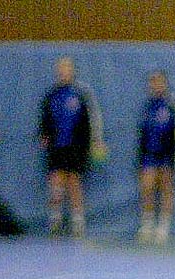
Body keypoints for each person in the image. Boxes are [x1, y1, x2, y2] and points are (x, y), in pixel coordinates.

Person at [38, 56, 102, 237]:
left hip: (77, 146)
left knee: (74, 182)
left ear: (72, 71)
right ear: (57, 72)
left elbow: (93, 119)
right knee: (56, 183)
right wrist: (44, 135)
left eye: (67, 68)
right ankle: (55, 220)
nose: (64, 71)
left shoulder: (82, 93)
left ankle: (77, 222)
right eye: (61, 68)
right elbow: (44, 119)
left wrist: (95, 141)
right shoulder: (51, 95)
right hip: (56, 146)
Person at [135, 69, 175, 244]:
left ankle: (164, 226)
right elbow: (141, 133)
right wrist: (140, 156)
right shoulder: (146, 107)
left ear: (165, 84)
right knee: (147, 187)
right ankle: (147, 223)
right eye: (153, 82)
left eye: (159, 82)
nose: (156, 85)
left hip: (167, 154)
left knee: (166, 187)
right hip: (149, 153)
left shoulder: (172, 105)